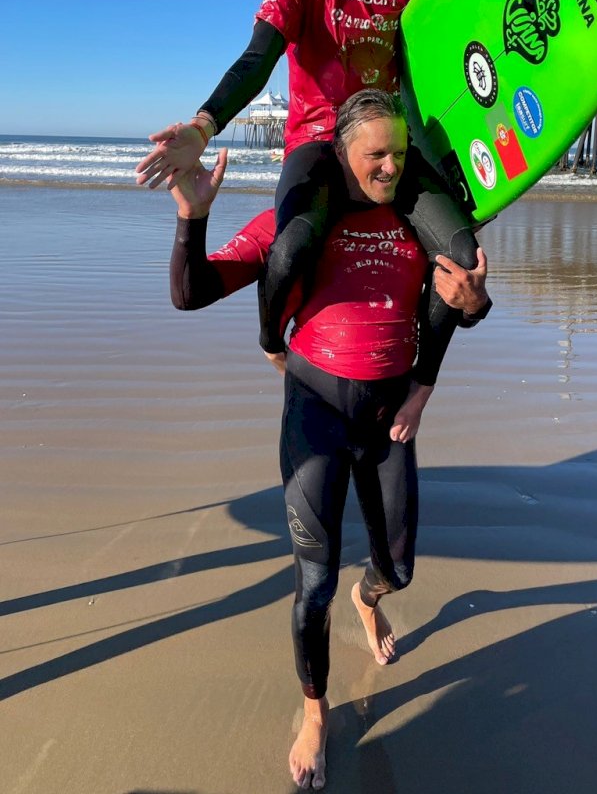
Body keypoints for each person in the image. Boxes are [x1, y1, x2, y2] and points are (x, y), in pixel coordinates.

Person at [167, 90, 490, 789]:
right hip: (314, 415)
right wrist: (193, 218)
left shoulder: (417, 224)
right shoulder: (301, 221)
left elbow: (460, 304)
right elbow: (191, 292)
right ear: (342, 151)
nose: (390, 168)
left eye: (401, 156)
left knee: (398, 569)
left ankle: (367, 600)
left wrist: (473, 306)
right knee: (311, 584)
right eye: (377, 154)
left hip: (388, 424)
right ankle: (315, 711)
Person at [136, 0, 479, 440]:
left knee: (462, 257)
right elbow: (255, 60)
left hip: (385, 149)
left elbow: (444, 97)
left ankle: (419, 388)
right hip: (319, 147)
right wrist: (204, 124)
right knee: (291, 246)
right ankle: (274, 342)